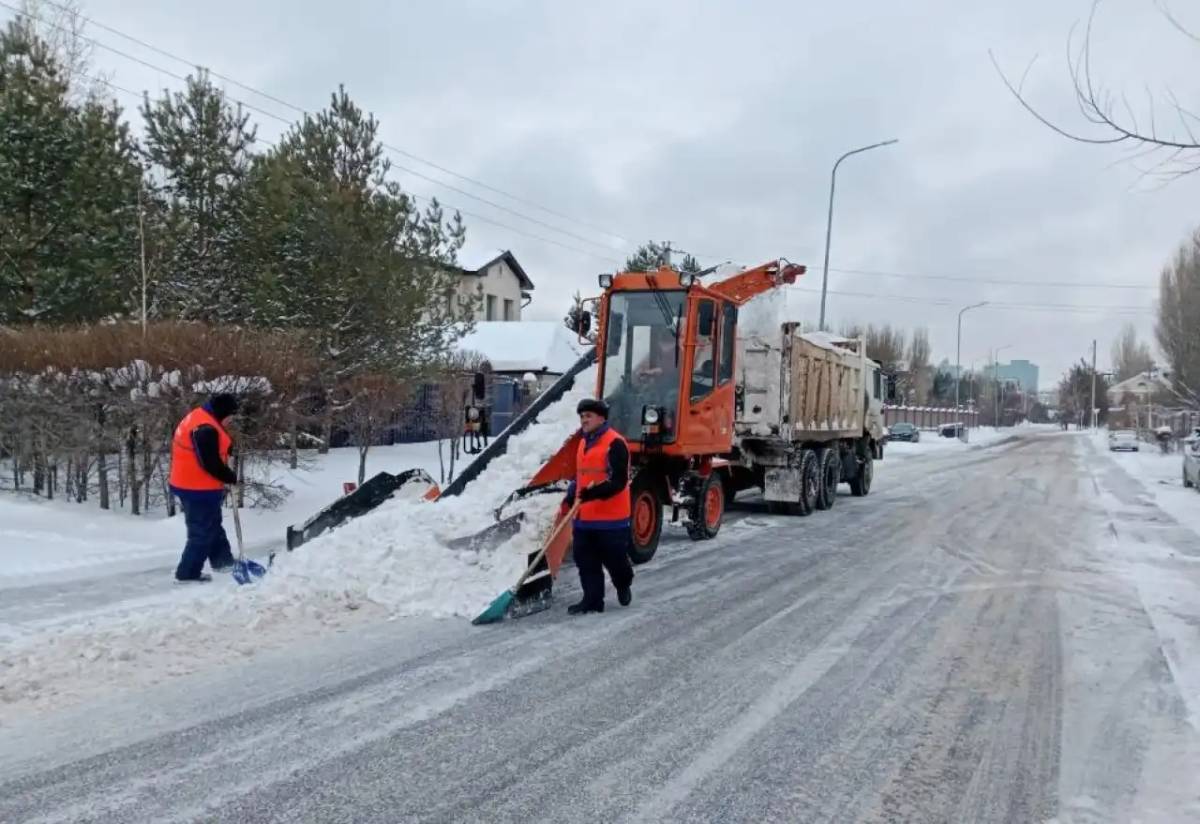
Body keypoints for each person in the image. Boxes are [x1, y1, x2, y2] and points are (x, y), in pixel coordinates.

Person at [561, 398, 635, 614]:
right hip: (584, 518)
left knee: (615, 561)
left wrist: (593, 493)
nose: (584, 420)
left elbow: (619, 481)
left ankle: (623, 583)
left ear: (601, 418)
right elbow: (582, 475)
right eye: (582, 417)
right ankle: (593, 601)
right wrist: (570, 495)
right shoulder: (583, 442)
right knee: (586, 562)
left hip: (611, 519)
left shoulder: (615, 443)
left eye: (588, 416)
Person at [169, 393, 240, 583]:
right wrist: (229, 476)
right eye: (231, 416)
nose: (231, 420)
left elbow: (209, 450)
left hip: (195, 485)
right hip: (196, 487)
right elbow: (209, 462)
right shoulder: (205, 429)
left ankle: (223, 563)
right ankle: (187, 574)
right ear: (222, 412)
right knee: (201, 532)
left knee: (213, 525)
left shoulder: (202, 416)